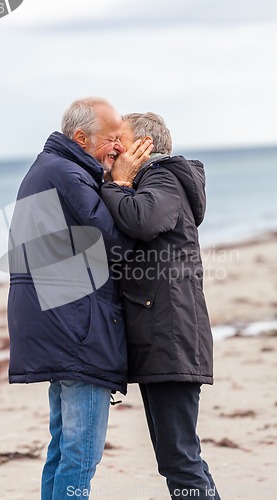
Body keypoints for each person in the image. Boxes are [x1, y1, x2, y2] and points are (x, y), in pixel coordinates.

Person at [7, 98, 152, 500]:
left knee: (63, 447)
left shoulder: (53, 168)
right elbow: (117, 243)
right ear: (81, 138)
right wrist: (122, 185)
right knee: (80, 455)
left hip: (60, 324)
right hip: (77, 332)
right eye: (112, 140)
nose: (120, 150)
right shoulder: (68, 175)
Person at [101, 112, 221, 499]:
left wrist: (117, 183)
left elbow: (141, 219)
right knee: (180, 459)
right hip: (164, 335)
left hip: (172, 336)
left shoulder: (163, 176)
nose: (115, 147)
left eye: (121, 139)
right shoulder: (156, 180)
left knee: (180, 461)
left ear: (144, 146)